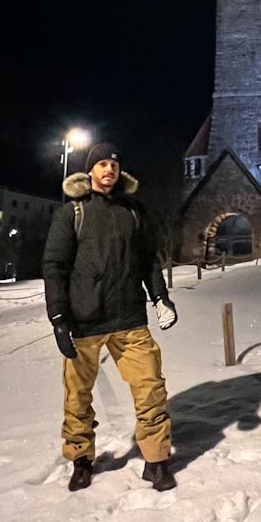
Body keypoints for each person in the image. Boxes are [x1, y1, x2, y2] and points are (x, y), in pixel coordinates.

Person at [42, 143, 178, 492]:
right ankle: (81, 459)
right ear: (90, 171)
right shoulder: (72, 212)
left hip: (130, 318)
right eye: (102, 164)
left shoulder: (133, 211)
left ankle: (156, 460)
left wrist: (160, 296)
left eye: (114, 165)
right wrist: (59, 317)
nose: (109, 170)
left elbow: (148, 259)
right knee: (77, 396)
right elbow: (54, 266)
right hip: (84, 321)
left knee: (150, 389)